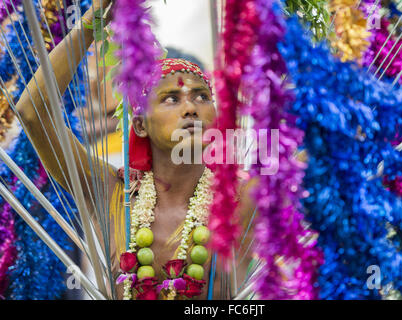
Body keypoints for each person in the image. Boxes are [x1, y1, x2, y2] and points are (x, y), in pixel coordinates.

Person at [15, 0, 255, 299]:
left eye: (202, 97)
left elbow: (320, 160)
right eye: (171, 98)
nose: (191, 108)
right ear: (140, 125)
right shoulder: (109, 190)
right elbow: (32, 113)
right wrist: (93, 21)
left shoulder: (244, 196)